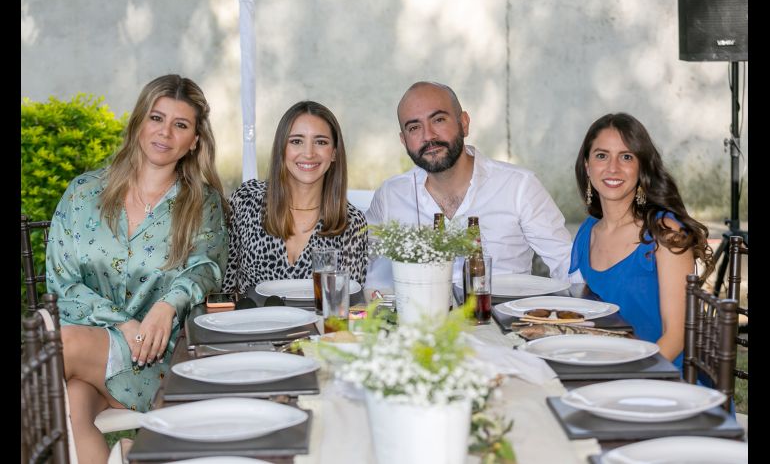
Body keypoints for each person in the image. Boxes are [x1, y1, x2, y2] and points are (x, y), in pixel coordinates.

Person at [46, 74, 229, 464]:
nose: (165, 133)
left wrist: (168, 305)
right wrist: (122, 324)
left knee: (50, 352)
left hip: (154, 358)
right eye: (156, 118)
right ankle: (128, 456)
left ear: (194, 140)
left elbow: (206, 267)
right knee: (74, 409)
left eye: (180, 125)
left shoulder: (201, 204)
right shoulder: (83, 193)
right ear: (138, 122)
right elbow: (61, 283)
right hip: (92, 355)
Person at [365, 81, 572, 288]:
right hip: (420, 319)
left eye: (438, 120)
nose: (428, 136)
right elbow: (366, 272)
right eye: (414, 127)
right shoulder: (391, 195)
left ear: (464, 123)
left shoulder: (519, 187)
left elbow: (567, 264)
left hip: (499, 317)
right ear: (403, 140)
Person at [569, 112, 713, 367]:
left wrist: (625, 376)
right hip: (606, 366)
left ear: (642, 167)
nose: (613, 167)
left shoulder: (664, 231)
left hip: (662, 374)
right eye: (602, 155)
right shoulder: (587, 232)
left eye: (626, 157)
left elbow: (676, 337)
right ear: (587, 166)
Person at [222, 100, 368, 294]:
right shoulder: (246, 200)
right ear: (282, 149)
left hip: (318, 325)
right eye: (296, 141)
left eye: (321, 142)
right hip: (250, 323)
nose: (308, 153)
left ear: (334, 153)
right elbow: (224, 288)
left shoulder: (351, 223)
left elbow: (345, 306)